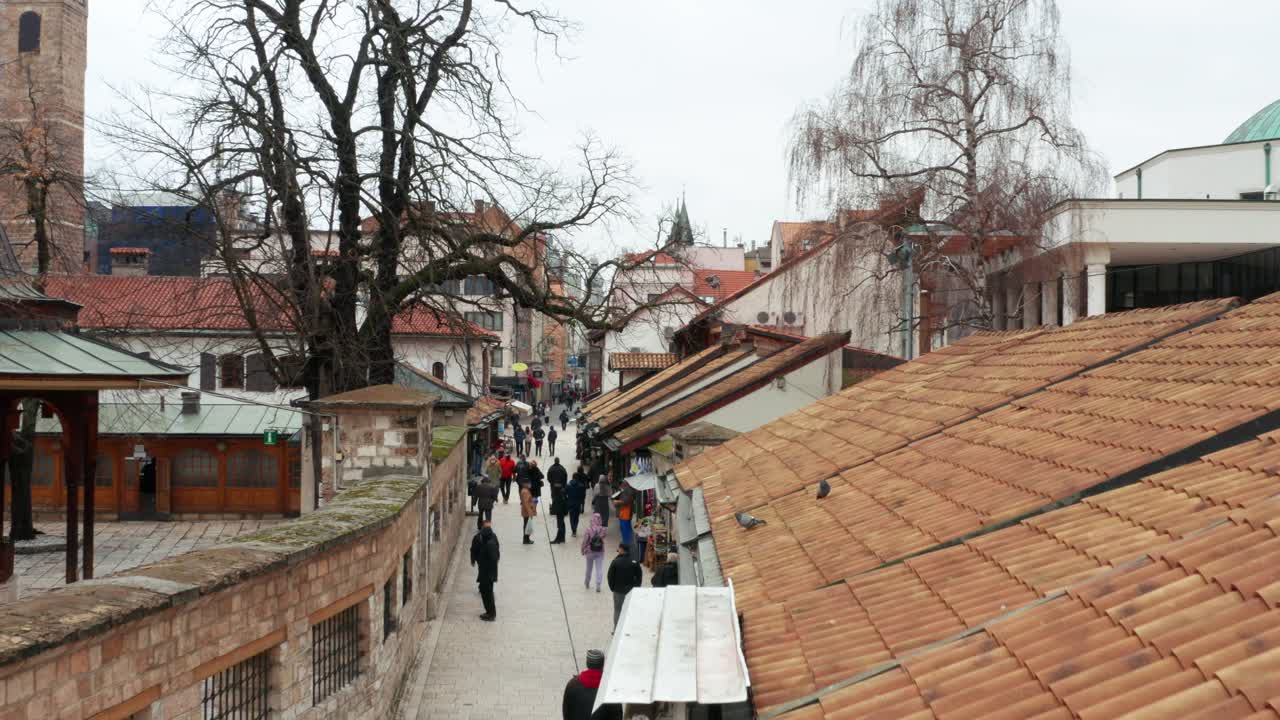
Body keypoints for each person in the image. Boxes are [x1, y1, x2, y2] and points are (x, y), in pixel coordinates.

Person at [562, 649, 622, 720]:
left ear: (587, 663)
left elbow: (566, 712)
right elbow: (617, 716)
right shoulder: (610, 689)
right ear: (602, 664)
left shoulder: (572, 685)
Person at [470, 519, 500, 621]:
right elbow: (473, 549)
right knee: (486, 591)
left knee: (487, 593)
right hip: (486, 571)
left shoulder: (490, 543)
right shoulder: (482, 538)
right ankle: (489, 612)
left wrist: (479, 561)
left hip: (488, 573)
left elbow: (494, 557)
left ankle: (491, 614)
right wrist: (474, 559)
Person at [607, 544, 643, 629]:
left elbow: (610, 576)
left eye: (619, 548)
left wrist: (613, 588)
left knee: (618, 610)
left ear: (622, 550)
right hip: (631, 590)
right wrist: (636, 588)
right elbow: (639, 576)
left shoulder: (616, 561)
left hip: (618, 590)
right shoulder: (634, 561)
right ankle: (629, 628)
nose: (618, 550)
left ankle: (616, 629)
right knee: (630, 609)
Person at [581, 513, 607, 593]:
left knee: (589, 568)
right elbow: (603, 538)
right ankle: (598, 584)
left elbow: (585, 541)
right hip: (600, 551)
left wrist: (582, 549)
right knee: (599, 568)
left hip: (590, 551)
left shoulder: (588, 529)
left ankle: (587, 582)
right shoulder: (603, 530)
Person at [548, 458, 569, 543]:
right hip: (561, 489)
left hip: (554, 488)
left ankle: (559, 538)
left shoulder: (551, 468)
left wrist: (552, 483)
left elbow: (548, 477)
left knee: (559, 519)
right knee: (561, 520)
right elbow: (565, 477)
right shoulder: (562, 468)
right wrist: (563, 485)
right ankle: (562, 537)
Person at [567, 469, 587, 537]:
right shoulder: (581, 486)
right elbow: (583, 495)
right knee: (576, 517)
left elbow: (564, 492)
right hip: (577, 504)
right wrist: (582, 502)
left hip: (570, 503)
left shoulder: (569, 485)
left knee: (572, 517)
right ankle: (575, 528)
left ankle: (573, 530)